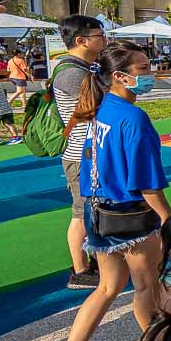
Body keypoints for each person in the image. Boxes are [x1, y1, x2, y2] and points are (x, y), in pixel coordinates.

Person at [40, 42, 171, 341]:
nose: (149, 75)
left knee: (108, 287)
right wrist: (169, 220)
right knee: (147, 286)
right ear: (119, 76)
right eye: (143, 69)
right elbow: (147, 184)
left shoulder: (99, 111)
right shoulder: (133, 118)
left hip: (97, 211)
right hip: (131, 214)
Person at [55, 15, 109, 290]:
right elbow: (100, 106)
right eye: (99, 34)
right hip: (80, 154)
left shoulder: (85, 68)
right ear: (81, 40)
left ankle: (92, 261)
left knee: (91, 208)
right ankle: (80, 270)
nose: (104, 39)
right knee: (81, 212)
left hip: (89, 152)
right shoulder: (71, 73)